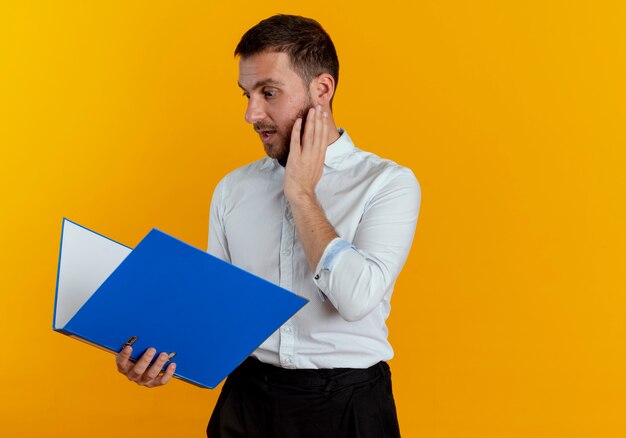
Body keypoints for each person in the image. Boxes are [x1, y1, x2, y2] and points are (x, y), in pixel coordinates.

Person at [115, 14, 421, 437]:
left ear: (322, 90)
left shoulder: (387, 183)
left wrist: (300, 193)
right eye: (246, 94)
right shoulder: (233, 189)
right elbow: (215, 311)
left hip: (347, 407)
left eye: (268, 92)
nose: (250, 113)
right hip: (246, 401)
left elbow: (355, 299)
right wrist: (156, 355)